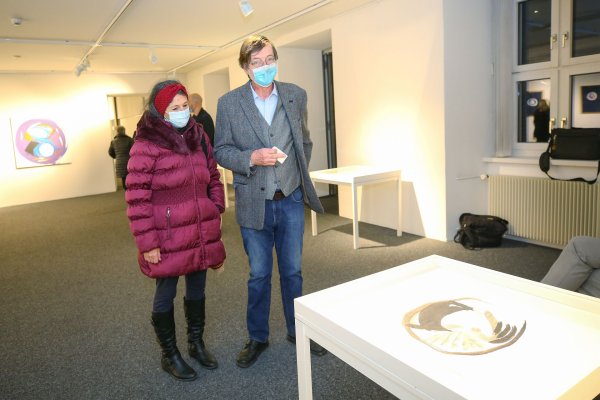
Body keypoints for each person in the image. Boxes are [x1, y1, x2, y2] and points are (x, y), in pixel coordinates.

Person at [214, 34, 327, 369]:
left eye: (269, 60)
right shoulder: (229, 103)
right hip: (254, 201)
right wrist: (250, 158)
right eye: (256, 63)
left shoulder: (295, 94)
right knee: (259, 274)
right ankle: (258, 337)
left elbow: (304, 141)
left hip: (290, 199)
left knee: (293, 271)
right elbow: (221, 151)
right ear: (245, 68)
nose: (264, 67)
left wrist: (295, 174)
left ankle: (297, 331)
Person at [125, 80, 226, 381]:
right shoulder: (146, 143)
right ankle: (169, 354)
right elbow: (137, 197)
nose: (182, 112)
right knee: (165, 292)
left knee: (197, 288)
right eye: (174, 108)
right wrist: (147, 243)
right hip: (166, 233)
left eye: (185, 107)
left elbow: (213, 175)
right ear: (160, 111)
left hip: (199, 228)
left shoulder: (198, 135)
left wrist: (215, 207)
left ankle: (196, 343)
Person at [108, 125, 133, 189]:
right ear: (124, 131)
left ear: (117, 132)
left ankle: (127, 193)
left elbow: (110, 152)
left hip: (119, 163)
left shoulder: (113, 142)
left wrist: (117, 157)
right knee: (132, 179)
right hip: (129, 162)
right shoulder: (129, 140)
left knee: (124, 180)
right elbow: (134, 151)